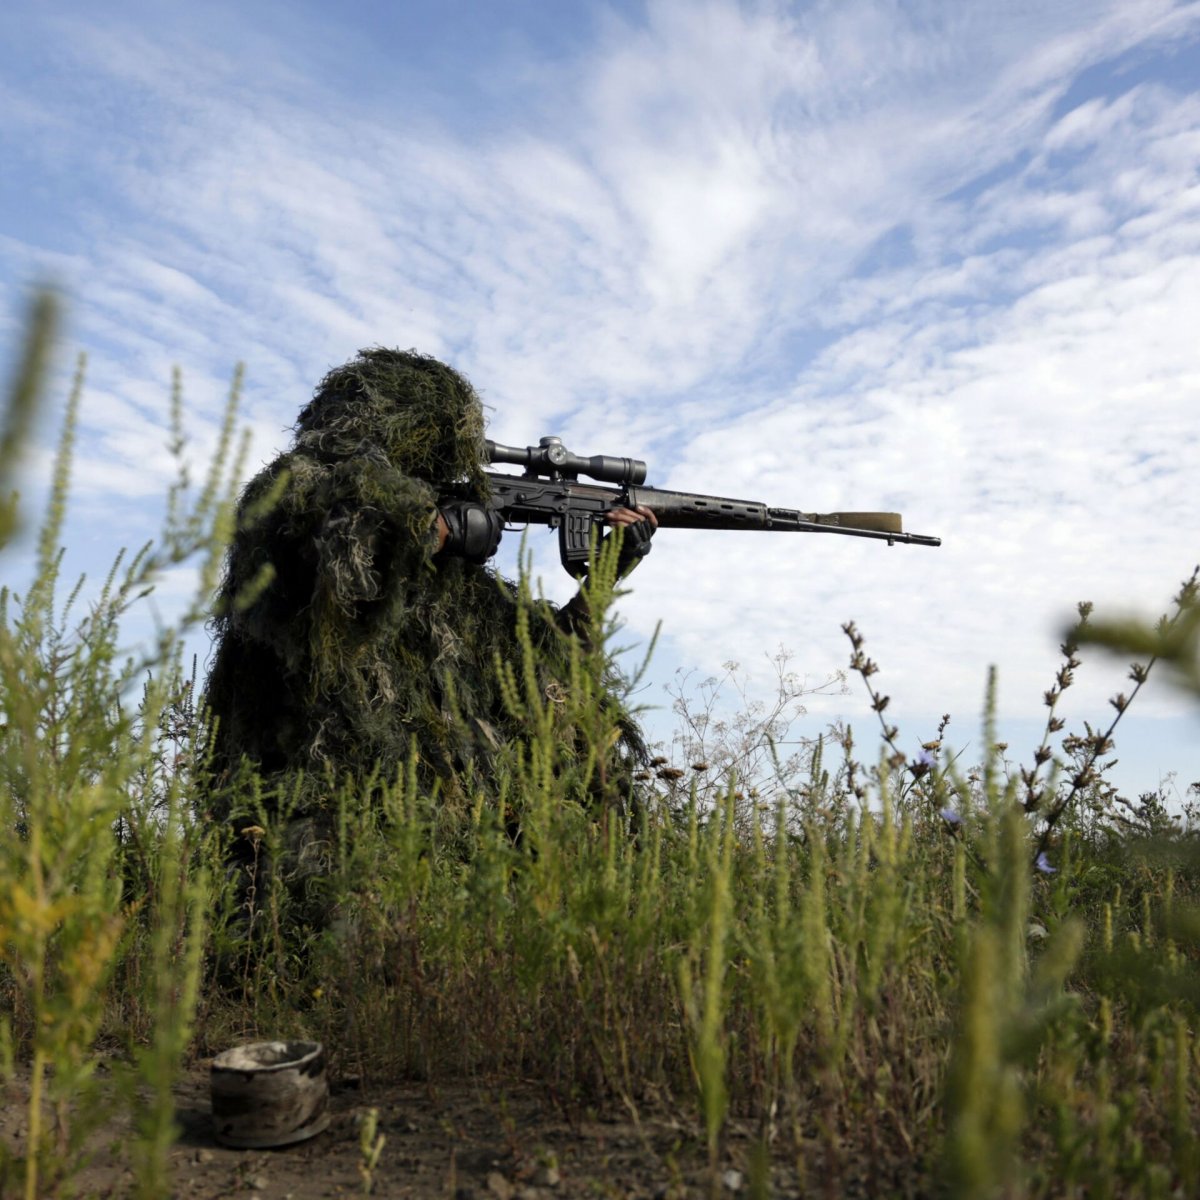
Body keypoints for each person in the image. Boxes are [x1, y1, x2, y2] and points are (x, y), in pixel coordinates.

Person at [203, 348, 655, 928]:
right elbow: (338, 562)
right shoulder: (296, 492)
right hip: (315, 820)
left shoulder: (457, 595)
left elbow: (541, 673)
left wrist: (604, 578)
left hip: (422, 846)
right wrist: (435, 531)